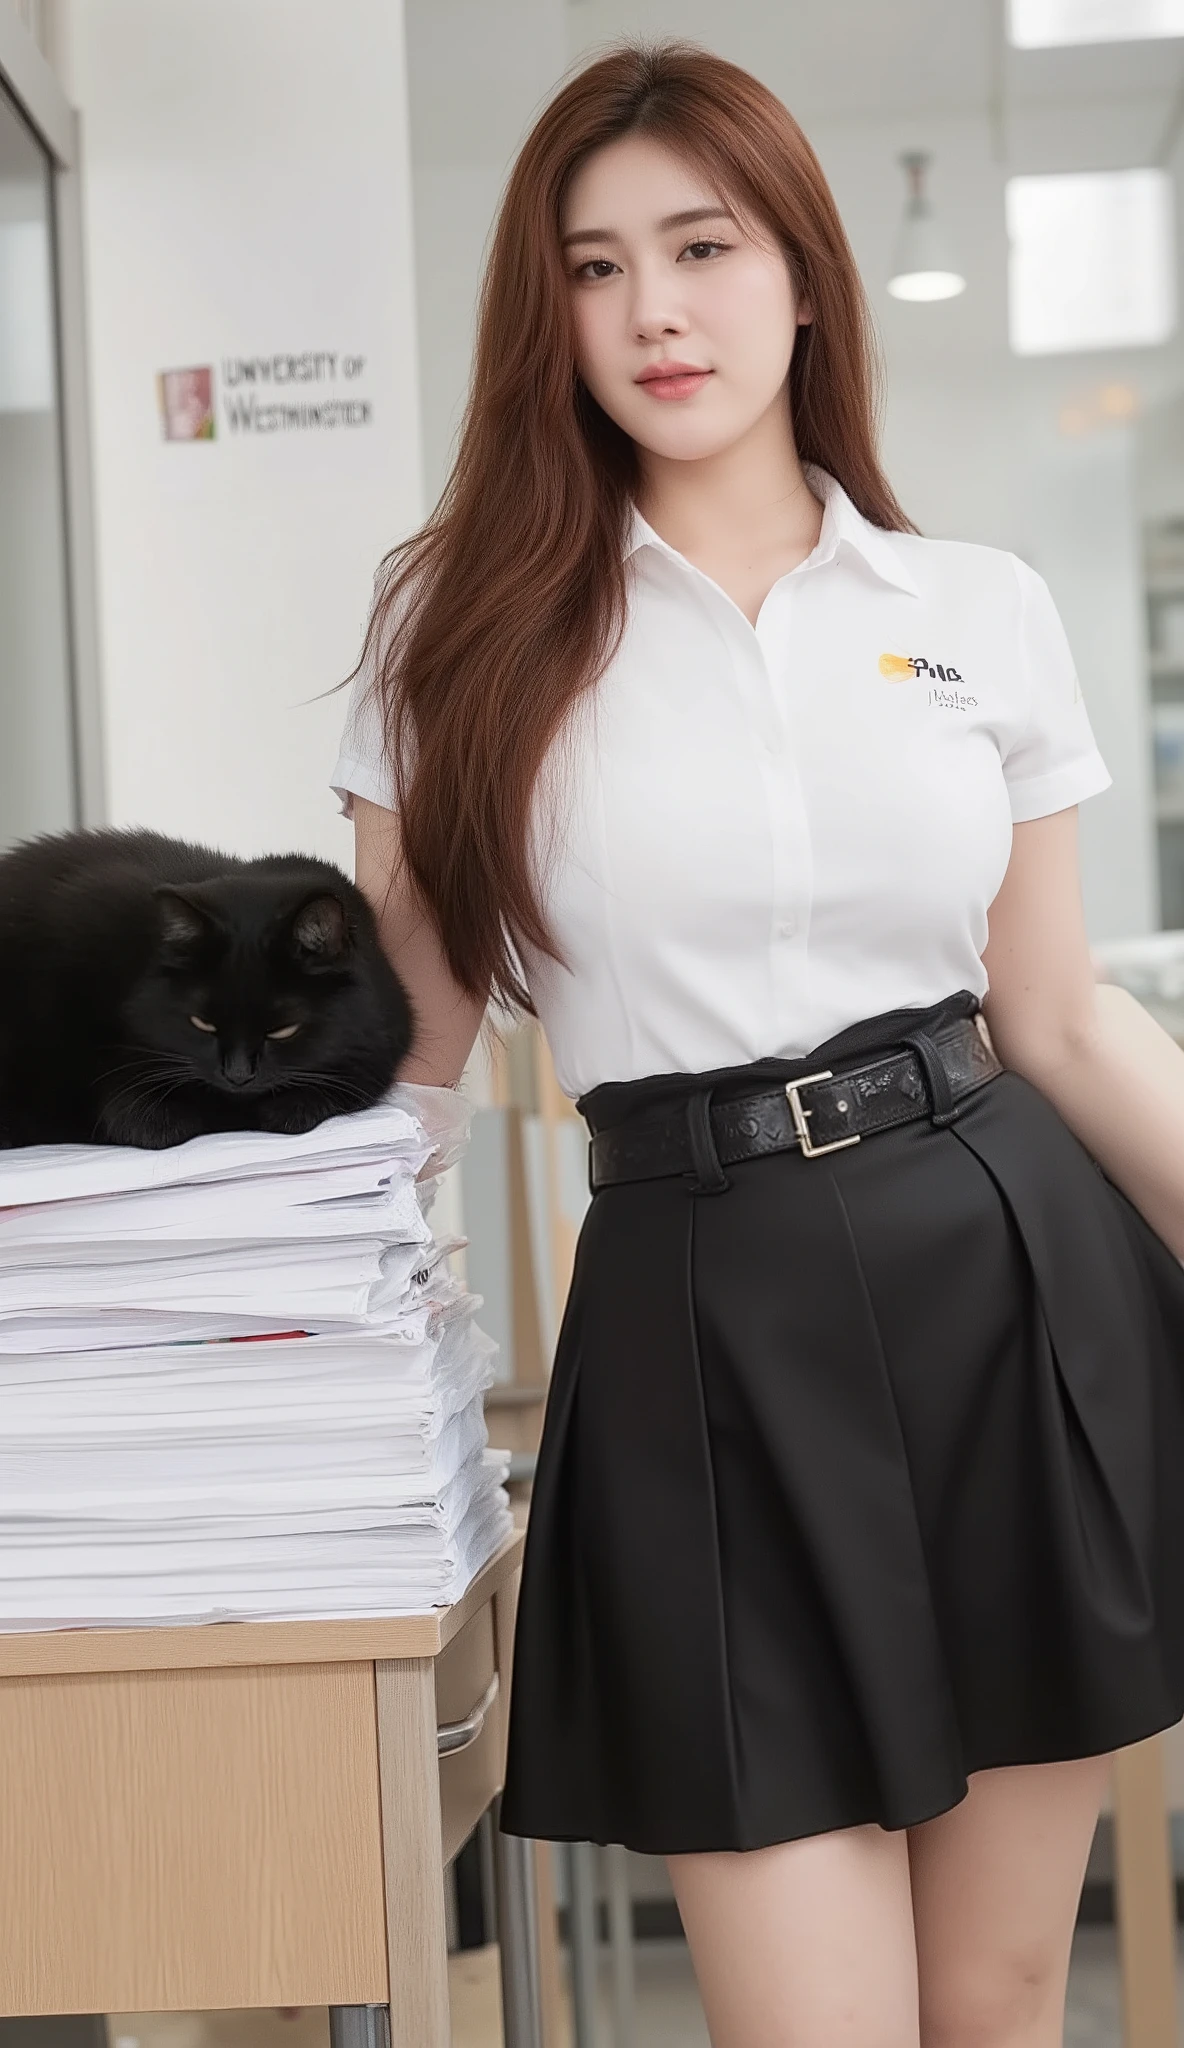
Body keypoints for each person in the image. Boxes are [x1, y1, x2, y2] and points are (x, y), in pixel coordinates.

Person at [331, 39, 1184, 2048]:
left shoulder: (972, 603)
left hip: (1008, 1279)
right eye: (593, 264)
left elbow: (1057, 1013)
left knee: (995, 2007)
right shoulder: (457, 637)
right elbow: (408, 1071)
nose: (651, 311)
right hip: (696, 1311)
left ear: (802, 272)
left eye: (699, 247)